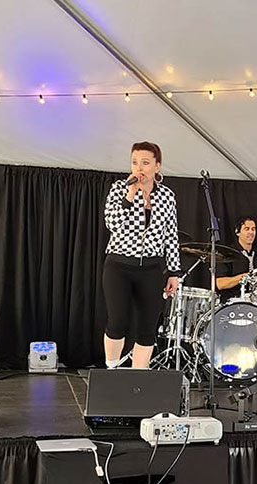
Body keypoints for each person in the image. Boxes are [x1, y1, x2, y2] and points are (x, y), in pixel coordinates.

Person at [102, 141, 180, 369]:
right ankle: (112, 369)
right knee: (118, 322)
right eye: (135, 162)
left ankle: (139, 379)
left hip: (151, 268)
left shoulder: (167, 196)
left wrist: (174, 272)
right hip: (119, 265)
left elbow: (171, 235)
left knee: (148, 327)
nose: (139, 168)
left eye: (145, 163)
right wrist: (131, 194)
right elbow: (112, 224)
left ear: (157, 166)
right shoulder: (119, 189)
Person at [215, 216, 257, 300]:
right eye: (247, 229)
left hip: (256, 302)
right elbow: (220, 284)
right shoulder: (227, 253)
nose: (251, 232)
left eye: (253, 229)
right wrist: (243, 277)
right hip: (232, 302)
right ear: (237, 232)